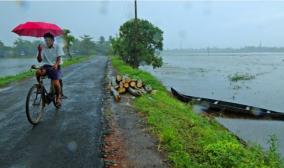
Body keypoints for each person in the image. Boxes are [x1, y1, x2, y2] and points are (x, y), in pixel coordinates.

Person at [36, 32, 65, 107]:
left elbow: (59, 59)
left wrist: (55, 65)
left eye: (48, 40)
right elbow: (39, 60)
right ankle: (39, 86)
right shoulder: (42, 46)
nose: (47, 41)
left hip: (56, 66)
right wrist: (39, 51)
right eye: (45, 40)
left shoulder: (58, 46)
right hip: (46, 66)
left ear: (53, 40)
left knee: (55, 83)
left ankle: (58, 97)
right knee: (38, 72)